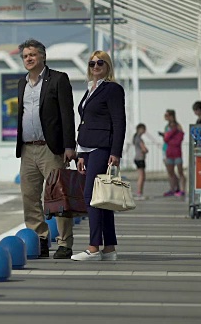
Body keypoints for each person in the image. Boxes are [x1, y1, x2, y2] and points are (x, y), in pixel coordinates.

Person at [15, 38, 77, 259]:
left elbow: (67, 115)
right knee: (30, 197)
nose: (29, 59)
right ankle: (39, 240)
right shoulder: (22, 83)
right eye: (25, 56)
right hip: (27, 149)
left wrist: (70, 146)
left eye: (32, 55)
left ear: (42, 56)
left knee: (58, 197)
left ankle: (64, 243)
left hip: (51, 149)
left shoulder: (58, 79)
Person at [71, 50, 126, 261]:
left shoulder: (112, 89)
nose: (95, 66)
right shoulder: (90, 89)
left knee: (91, 196)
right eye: (92, 63)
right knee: (102, 198)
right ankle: (109, 248)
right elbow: (86, 122)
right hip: (88, 147)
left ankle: (93, 247)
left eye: (100, 63)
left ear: (108, 66)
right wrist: (81, 154)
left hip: (103, 147)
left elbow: (119, 122)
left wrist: (116, 152)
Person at [161, 111, 186, 197]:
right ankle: (173, 188)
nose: (165, 117)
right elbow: (166, 138)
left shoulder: (177, 126)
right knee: (170, 172)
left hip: (177, 152)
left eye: (167, 115)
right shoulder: (167, 127)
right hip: (169, 152)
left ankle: (182, 189)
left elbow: (178, 138)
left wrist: (169, 136)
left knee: (180, 172)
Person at [133, 123, 148, 200]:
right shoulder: (139, 139)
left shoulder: (135, 137)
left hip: (137, 158)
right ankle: (139, 193)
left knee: (141, 176)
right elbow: (144, 149)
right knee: (142, 176)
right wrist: (146, 150)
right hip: (140, 158)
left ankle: (139, 192)